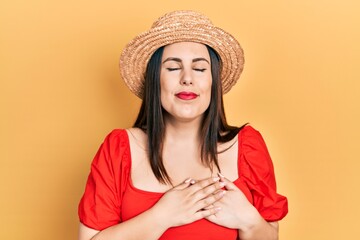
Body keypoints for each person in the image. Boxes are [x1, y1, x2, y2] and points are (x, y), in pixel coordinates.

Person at [78, 10, 288, 240]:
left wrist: (248, 219)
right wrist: (162, 216)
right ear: (155, 80)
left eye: (199, 69)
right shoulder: (119, 148)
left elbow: (270, 234)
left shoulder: (248, 146)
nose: (187, 78)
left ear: (213, 82)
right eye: (173, 68)